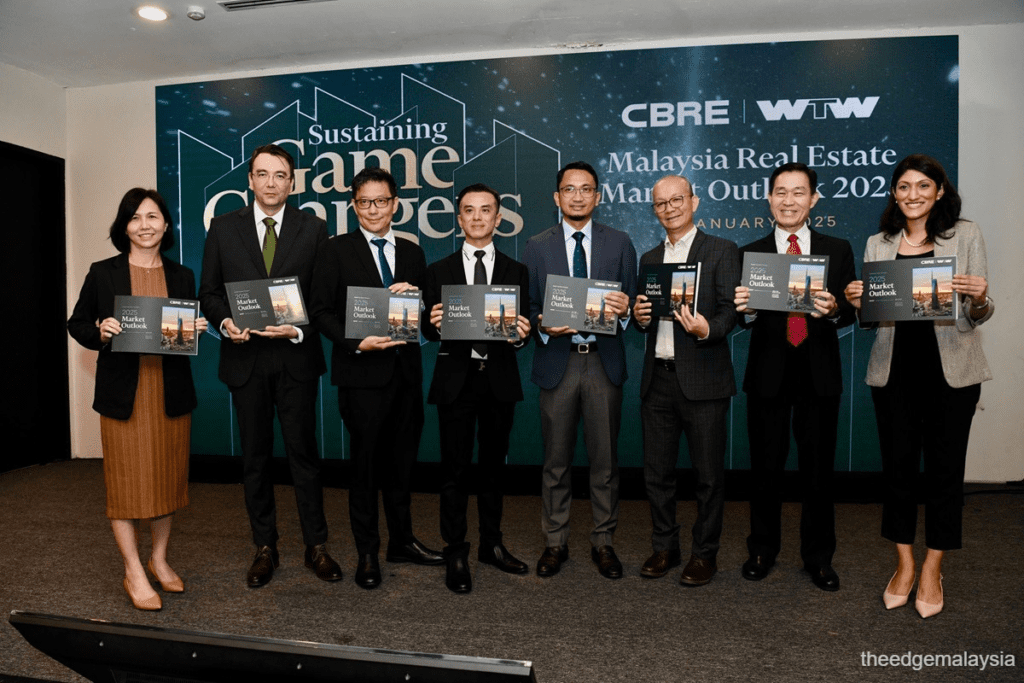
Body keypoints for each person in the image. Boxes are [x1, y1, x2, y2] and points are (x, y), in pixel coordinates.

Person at [844, 154, 993, 618]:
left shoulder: (965, 234)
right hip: (894, 374)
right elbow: (872, 318)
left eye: (923, 186)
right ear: (894, 193)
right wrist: (858, 302)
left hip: (952, 374)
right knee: (898, 473)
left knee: (945, 473)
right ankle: (904, 564)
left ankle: (933, 567)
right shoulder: (878, 243)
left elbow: (978, 313)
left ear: (939, 191)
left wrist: (980, 297)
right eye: (904, 186)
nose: (913, 195)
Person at [199, 143, 342, 588]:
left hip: (296, 358)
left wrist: (297, 330)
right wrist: (225, 322)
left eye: (280, 175)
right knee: (255, 459)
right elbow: (209, 292)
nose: (271, 183)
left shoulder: (314, 228)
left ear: (292, 183)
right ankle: (265, 547)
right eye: (262, 174)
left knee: (304, 457)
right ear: (250, 180)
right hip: (245, 361)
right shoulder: (223, 228)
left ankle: (316, 546)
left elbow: (321, 298)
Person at [68, 188, 207, 611]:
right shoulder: (103, 273)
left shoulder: (182, 275)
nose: (144, 225)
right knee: (125, 486)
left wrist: (195, 329)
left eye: (152, 216)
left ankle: (159, 559)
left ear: (166, 224)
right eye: (135, 218)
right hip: (123, 396)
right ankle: (133, 569)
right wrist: (100, 331)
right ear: (124, 227)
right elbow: (77, 324)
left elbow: (178, 333)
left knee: (166, 481)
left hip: (169, 393)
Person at [310, 167, 443, 590]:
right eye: (364, 202)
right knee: (365, 468)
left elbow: (425, 319)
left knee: (402, 466)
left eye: (381, 201)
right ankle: (367, 551)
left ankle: (402, 541)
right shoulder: (335, 250)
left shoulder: (412, 252)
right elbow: (320, 311)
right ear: (354, 205)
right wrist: (355, 342)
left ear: (395, 204)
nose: (373, 209)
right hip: (361, 376)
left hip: (406, 374)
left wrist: (422, 306)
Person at [733, 162, 856, 592]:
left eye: (798, 192)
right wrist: (747, 310)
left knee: (819, 473)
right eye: (780, 193)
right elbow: (742, 317)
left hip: (819, 375)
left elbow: (850, 309)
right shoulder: (749, 253)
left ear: (814, 199)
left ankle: (819, 557)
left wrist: (836, 308)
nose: (789, 201)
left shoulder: (837, 249)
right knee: (765, 470)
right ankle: (762, 550)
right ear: (769, 199)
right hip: (768, 375)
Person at [522, 161, 638, 579]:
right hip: (559, 362)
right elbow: (528, 306)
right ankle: (555, 542)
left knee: (605, 463)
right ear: (557, 197)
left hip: (603, 361)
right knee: (555, 462)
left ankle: (603, 542)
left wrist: (625, 310)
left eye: (586, 189)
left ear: (597, 196)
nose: (577, 196)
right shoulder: (536, 246)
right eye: (569, 189)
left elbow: (631, 300)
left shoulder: (620, 242)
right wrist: (541, 323)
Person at [422, 183, 533, 593]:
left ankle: (491, 544)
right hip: (455, 382)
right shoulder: (439, 270)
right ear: (459, 219)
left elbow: (521, 330)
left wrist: (521, 335)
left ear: (498, 218)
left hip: (499, 382)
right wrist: (432, 323)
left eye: (485, 210)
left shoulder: (516, 271)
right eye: (469, 210)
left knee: (493, 471)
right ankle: (455, 550)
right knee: (453, 472)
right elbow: (427, 331)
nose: (477, 217)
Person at [632, 175, 740, 586]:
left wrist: (707, 328)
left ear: (694, 202)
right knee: (657, 475)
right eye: (661, 203)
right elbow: (645, 317)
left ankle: (704, 554)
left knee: (708, 477)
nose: (670, 208)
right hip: (657, 381)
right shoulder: (649, 258)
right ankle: (665, 547)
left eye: (677, 199)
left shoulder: (721, 250)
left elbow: (730, 310)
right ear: (655, 210)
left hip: (705, 381)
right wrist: (640, 318)